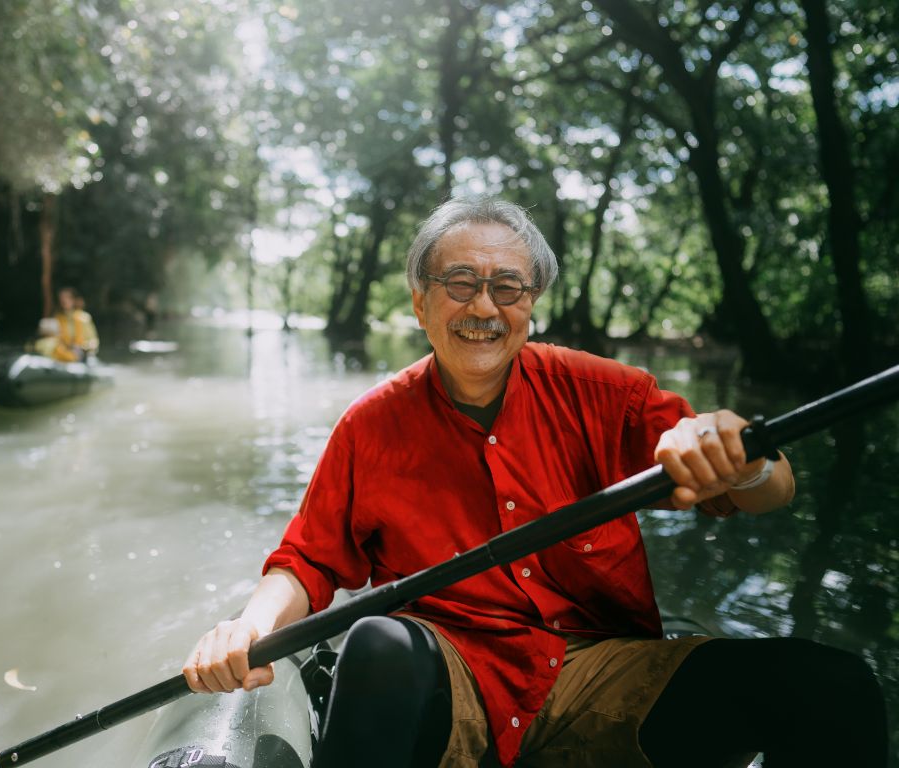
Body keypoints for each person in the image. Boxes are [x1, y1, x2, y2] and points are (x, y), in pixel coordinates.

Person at [183, 198, 887, 768]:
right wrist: (249, 626)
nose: (483, 306)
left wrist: (741, 457)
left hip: (604, 672)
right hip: (457, 672)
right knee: (377, 643)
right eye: (459, 282)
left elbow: (769, 487)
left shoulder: (600, 389)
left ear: (532, 303)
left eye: (507, 286)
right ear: (422, 301)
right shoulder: (370, 426)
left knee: (837, 686)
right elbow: (307, 561)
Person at [43, 287, 99, 363]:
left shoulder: (84, 318)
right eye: (61, 298)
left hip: (81, 355)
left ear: (73, 300)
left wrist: (83, 347)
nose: (64, 300)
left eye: (67, 297)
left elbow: (94, 341)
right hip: (63, 355)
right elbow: (53, 340)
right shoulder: (57, 319)